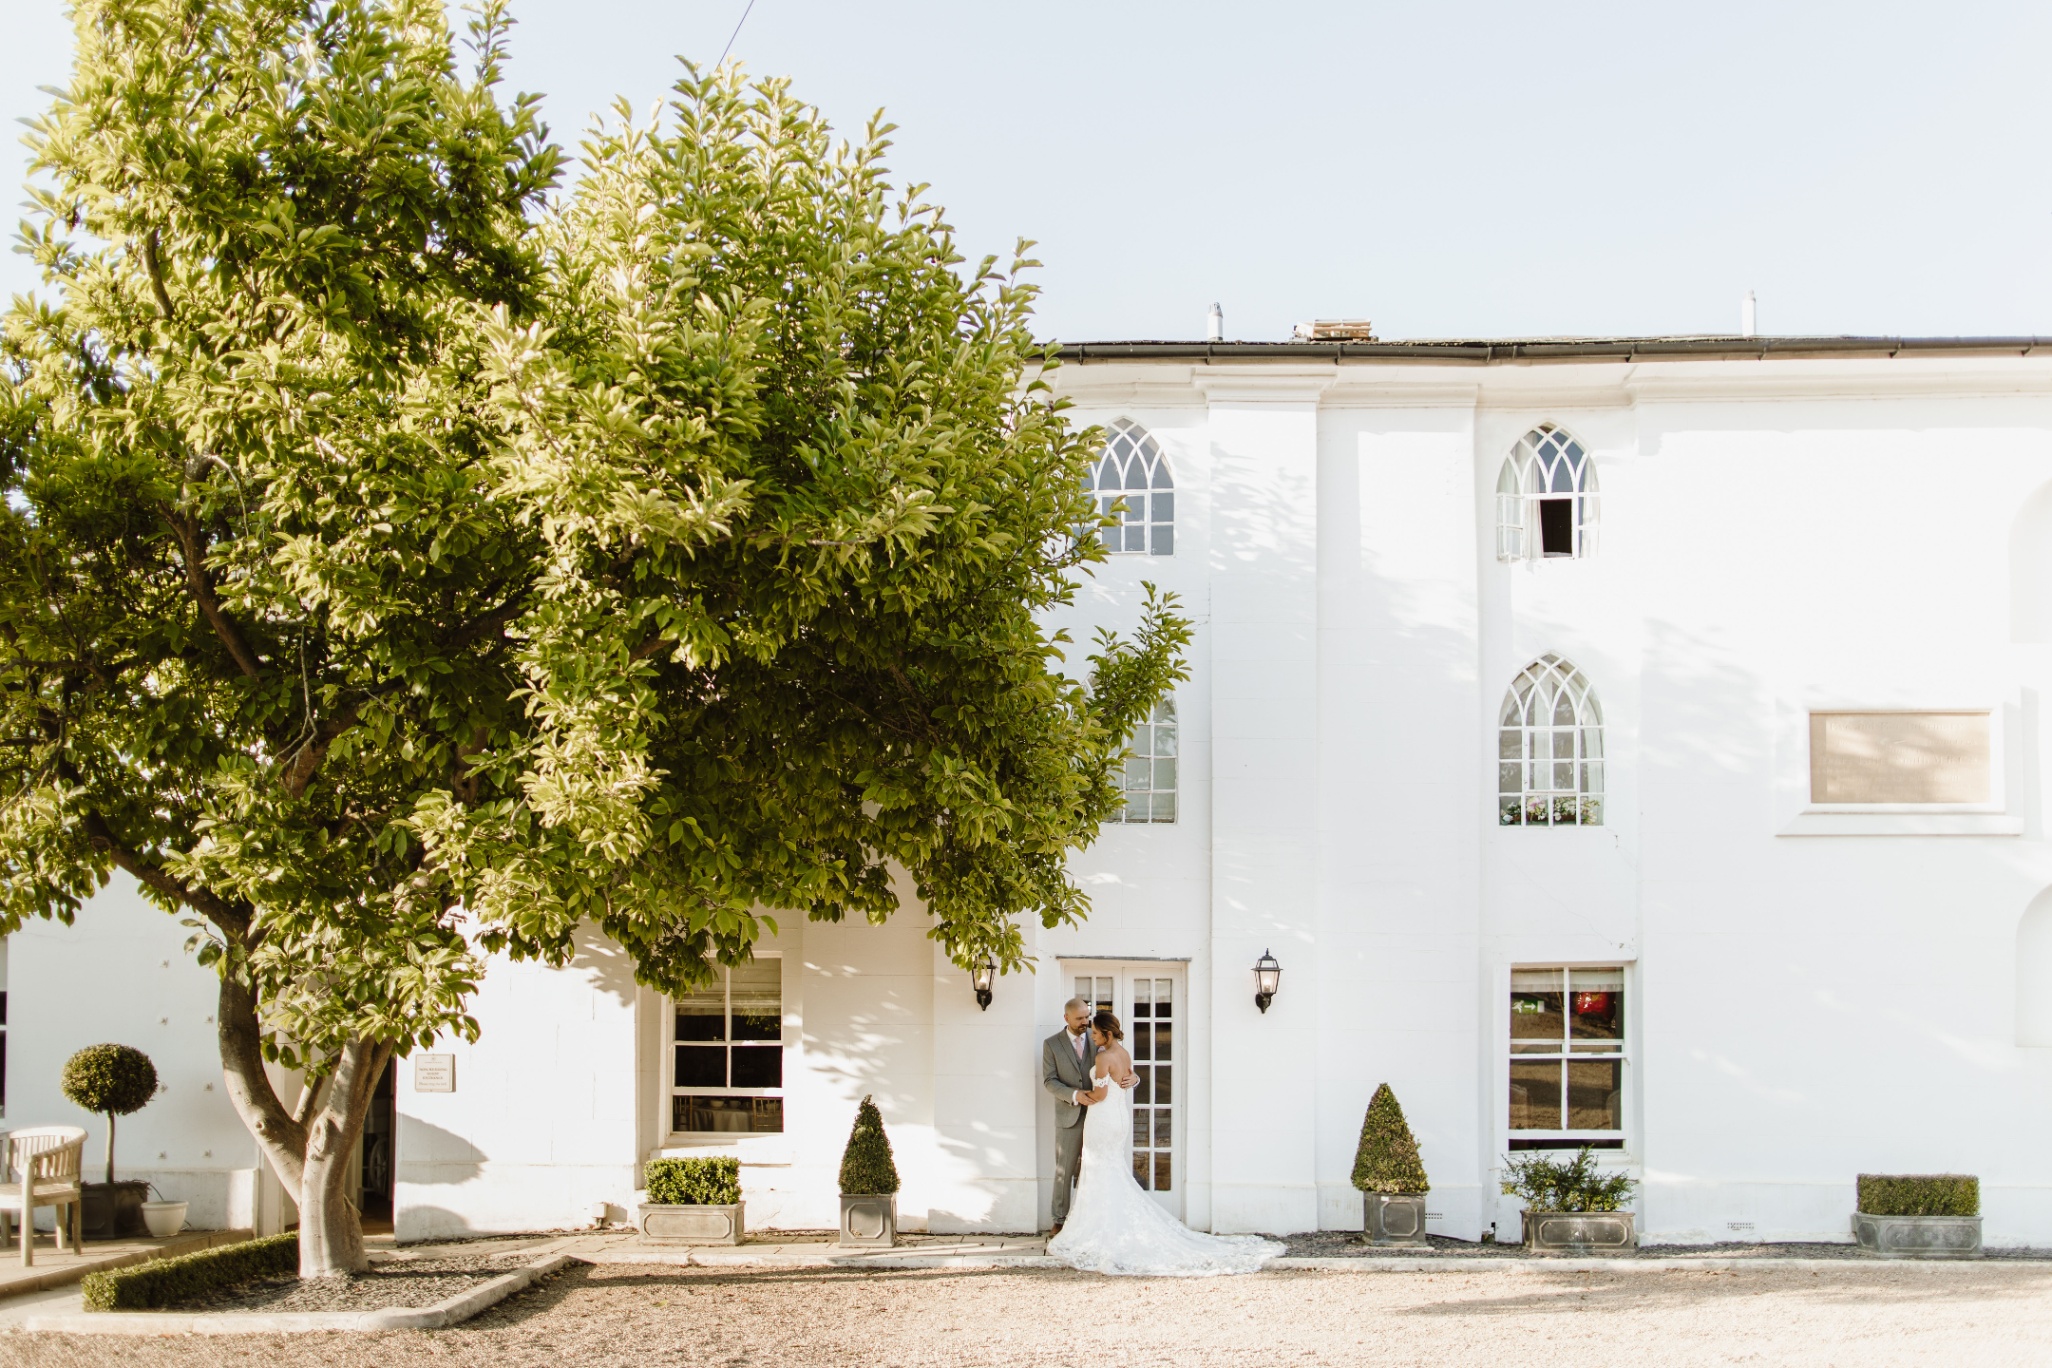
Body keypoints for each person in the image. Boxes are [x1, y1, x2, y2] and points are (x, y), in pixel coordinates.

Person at [1047, 1010, 1285, 1276]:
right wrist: (1132, 1079)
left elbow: (1101, 1094)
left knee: (1099, 1170)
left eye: (1095, 1033)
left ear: (1107, 1034)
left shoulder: (1103, 1057)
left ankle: (1098, 1230)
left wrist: (1082, 1095)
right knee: (1111, 1170)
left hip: (1102, 1119)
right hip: (1120, 1119)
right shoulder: (1124, 1053)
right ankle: (1110, 1224)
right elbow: (1127, 1080)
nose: (1092, 1036)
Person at [1040, 996, 1106, 1235]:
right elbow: (1049, 1081)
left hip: (1098, 1116)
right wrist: (1075, 1094)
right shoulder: (1052, 1044)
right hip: (1068, 1115)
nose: (1085, 1022)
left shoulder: (1097, 1038)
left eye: (1087, 1017)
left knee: (1096, 1169)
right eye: (1079, 1018)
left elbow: (1119, 1061)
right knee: (1064, 1171)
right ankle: (1059, 1220)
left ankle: (1093, 1219)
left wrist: (1134, 1078)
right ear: (1066, 1017)